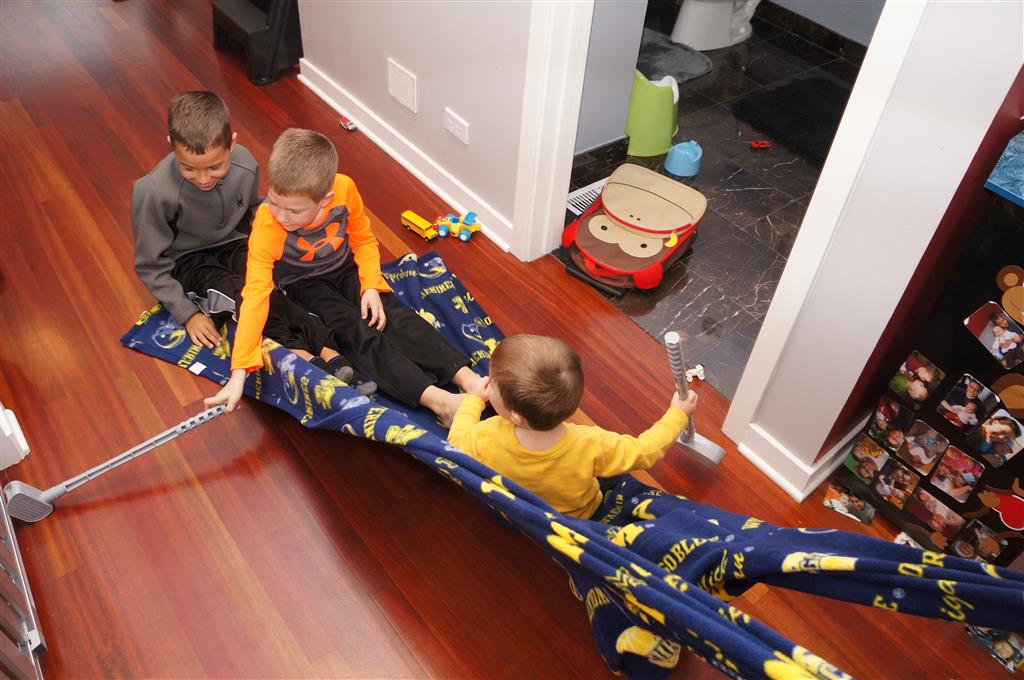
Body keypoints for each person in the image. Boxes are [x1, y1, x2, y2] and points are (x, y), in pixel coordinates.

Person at [206, 128, 480, 423]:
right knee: (356, 332)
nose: (280, 216)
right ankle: (439, 402)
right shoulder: (267, 223)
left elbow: (363, 239)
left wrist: (371, 285)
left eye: (294, 211)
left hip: (345, 267)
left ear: (325, 200)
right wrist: (239, 373)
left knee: (395, 316)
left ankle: (467, 379)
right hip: (303, 285)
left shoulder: (345, 189)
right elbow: (255, 295)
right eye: (274, 202)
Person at [132, 92, 357, 384]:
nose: (203, 178)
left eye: (214, 167)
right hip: (188, 260)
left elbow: (253, 210)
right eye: (189, 168)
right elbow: (150, 264)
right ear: (171, 145)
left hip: (235, 242)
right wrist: (187, 313)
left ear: (232, 144)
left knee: (268, 290)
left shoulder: (245, 163)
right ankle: (300, 354)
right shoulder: (151, 192)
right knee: (239, 296)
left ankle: (327, 348)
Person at [446, 334, 698, 519]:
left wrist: (474, 399)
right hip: (581, 516)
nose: (486, 382)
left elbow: (456, 442)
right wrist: (677, 415)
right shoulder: (589, 443)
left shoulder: (487, 435)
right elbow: (643, 451)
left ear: (516, 417)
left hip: (525, 516)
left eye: (492, 383)